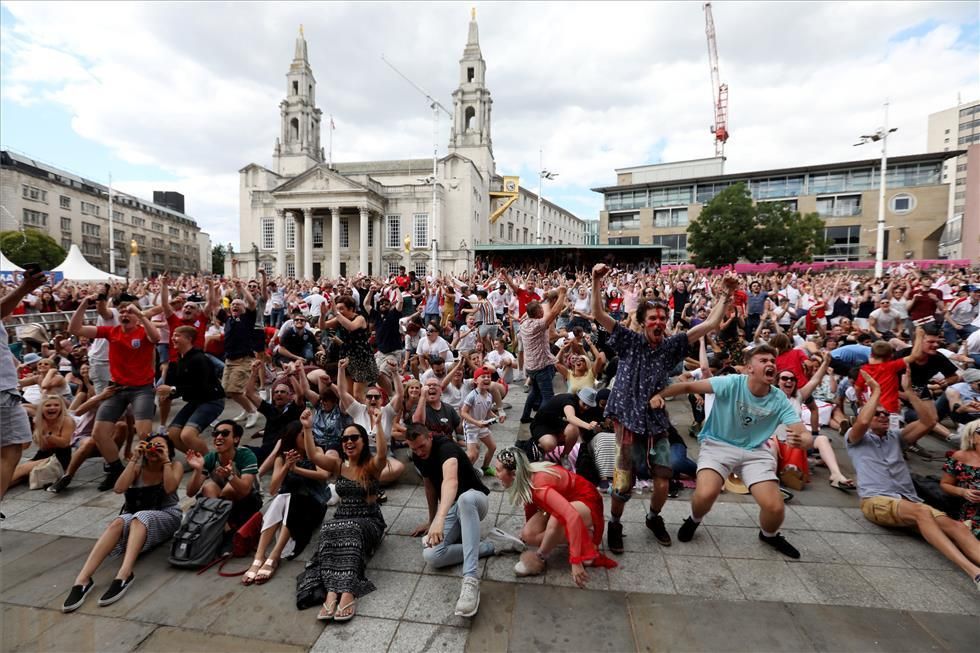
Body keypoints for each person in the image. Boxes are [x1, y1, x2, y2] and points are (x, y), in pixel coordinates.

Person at [590, 263, 733, 552]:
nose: (659, 322)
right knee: (622, 483)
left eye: (663, 318)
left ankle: (653, 518)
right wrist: (596, 281)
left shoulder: (670, 345)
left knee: (663, 482)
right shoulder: (629, 341)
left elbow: (709, 325)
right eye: (653, 317)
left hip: (656, 420)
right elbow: (599, 315)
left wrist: (725, 296)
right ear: (642, 321)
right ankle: (615, 524)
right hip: (628, 418)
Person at [650, 345, 812, 559]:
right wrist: (657, 395)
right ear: (749, 368)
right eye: (763, 360)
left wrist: (804, 440)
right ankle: (694, 519)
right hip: (718, 444)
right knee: (706, 494)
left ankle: (769, 535)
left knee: (775, 508)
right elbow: (688, 387)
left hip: (755, 451)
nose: (770, 364)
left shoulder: (779, 398)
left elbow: (805, 434)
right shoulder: (731, 383)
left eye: (772, 360)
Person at [846, 372, 980, 589]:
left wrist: (909, 393)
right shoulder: (855, 439)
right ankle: (974, 572)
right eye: (877, 414)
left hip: (909, 500)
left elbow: (930, 421)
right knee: (922, 512)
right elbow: (862, 420)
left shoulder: (896, 437)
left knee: (957, 527)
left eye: (886, 414)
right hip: (876, 501)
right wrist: (877, 392)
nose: (883, 416)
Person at [406, 423, 523, 618]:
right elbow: (430, 487)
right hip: (452, 509)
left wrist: (440, 519)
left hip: (475, 501)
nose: (419, 452)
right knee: (432, 555)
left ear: (430, 438)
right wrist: (431, 520)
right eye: (414, 449)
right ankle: (492, 546)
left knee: (464, 498)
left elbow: (450, 481)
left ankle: (470, 580)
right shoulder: (418, 455)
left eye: (422, 446)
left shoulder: (447, 449)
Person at [62, 433, 184, 612]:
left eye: (160, 447)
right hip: (136, 517)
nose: (154, 450)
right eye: (150, 446)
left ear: (169, 452)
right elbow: (119, 488)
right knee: (119, 521)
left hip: (166, 514)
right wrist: (135, 458)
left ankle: (125, 573)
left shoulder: (175, 465)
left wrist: (164, 461)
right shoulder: (138, 467)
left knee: (141, 516)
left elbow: (170, 488)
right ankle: (83, 579)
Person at [298, 410, 387, 622]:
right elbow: (314, 456)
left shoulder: (372, 466)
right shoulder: (338, 465)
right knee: (329, 528)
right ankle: (331, 592)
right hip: (343, 518)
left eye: (354, 438)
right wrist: (307, 428)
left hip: (369, 520)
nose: (348, 442)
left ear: (363, 442)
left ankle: (347, 592)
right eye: (345, 438)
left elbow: (383, 454)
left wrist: (379, 424)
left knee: (350, 529)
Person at [68, 295, 161, 491]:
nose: (125, 314)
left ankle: (148, 467)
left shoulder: (143, 332)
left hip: (141, 388)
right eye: (123, 311)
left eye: (130, 311)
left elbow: (156, 338)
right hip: (117, 388)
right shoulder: (111, 331)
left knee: (144, 432)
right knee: (99, 433)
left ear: (137, 316)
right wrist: (84, 304)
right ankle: (116, 469)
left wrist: (142, 316)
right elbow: (74, 329)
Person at [495, 447, 614, 587]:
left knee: (557, 520)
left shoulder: (540, 488)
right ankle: (580, 536)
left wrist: (575, 561)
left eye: (498, 470)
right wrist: (530, 529)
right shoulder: (526, 476)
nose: (496, 475)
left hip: (587, 501)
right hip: (563, 502)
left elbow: (572, 517)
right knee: (529, 535)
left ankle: (540, 557)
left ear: (514, 473)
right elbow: (530, 505)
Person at [244, 421, 329, 585]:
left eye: (309, 435)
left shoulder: (316, 451)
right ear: (293, 437)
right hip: (287, 504)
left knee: (292, 498)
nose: (307, 439)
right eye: (303, 435)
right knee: (283, 497)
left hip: (313, 505)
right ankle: (259, 556)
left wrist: (297, 470)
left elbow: (324, 475)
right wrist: (287, 467)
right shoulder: (282, 457)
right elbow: (273, 488)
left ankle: (274, 555)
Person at [155, 325, 226, 455]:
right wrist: (168, 394)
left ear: (188, 339)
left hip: (212, 400)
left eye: (177, 335)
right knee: (173, 435)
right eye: (173, 335)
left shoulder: (200, 359)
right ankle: (197, 458)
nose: (173, 338)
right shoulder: (180, 359)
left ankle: (210, 463)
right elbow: (181, 386)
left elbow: (201, 387)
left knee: (187, 435)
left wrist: (172, 390)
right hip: (196, 401)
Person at [185, 419, 262, 532]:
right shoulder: (211, 457)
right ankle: (223, 527)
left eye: (225, 433)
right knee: (208, 488)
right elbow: (190, 492)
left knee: (229, 489)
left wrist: (231, 476)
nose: (219, 437)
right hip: (221, 503)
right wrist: (198, 469)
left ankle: (225, 526)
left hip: (249, 502)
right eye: (216, 434)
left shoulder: (246, 455)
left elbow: (245, 490)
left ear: (236, 439)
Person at [519, 284, 567, 424]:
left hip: (531, 367)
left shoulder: (524, 322)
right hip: (541, 367)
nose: (543, 310)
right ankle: (542, 422)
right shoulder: (538, 325)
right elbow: (555, 312)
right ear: (538, 312)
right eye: (541, 309)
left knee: (535, 393)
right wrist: (562, 294)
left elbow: (532, 308)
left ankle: (525, 416)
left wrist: (542, 299)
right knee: (548, 396)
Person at [8, 394, 74, 489]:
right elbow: (32, 446)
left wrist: (48, 435)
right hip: (43, 454)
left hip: (60, 456)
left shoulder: (67, 420)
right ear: (42, 408)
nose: (52, 408)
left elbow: (65, 443)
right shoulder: (39, 421)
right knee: (20, 474)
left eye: (56, 405)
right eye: (48, 405)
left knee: (21, 469)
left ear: (61, 407)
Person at [529, 388, 599, 467]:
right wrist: (588, 425)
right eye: (584, 404)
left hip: (559, 425)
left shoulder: (586, 409)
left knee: (574, 429)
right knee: (550, 444)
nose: (586, 407)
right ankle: (540, 449)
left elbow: (586, 429)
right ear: (579, 398)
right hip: (543, 425)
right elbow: (570, 417)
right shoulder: (569, 401)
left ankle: (564, 455)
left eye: (588, 406)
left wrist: (595, 426)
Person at [459, 366, 503, 476]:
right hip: (471, 427)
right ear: (475, 380)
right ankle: (463, 473)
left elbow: (488, 411)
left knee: (492, 447)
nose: (487, 378)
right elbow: (463, 413)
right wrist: (476, 422)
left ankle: (486, 467)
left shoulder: (489, 396)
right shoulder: (472, 396)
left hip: (482, 426)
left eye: (488, 376)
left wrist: (497, 418)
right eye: (483, 376)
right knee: (472, 454)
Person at [941, 419, 980, 539]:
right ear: (971, 438)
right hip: (972, 511)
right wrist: (963, 492)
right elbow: (945, 484)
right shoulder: (960, 456)